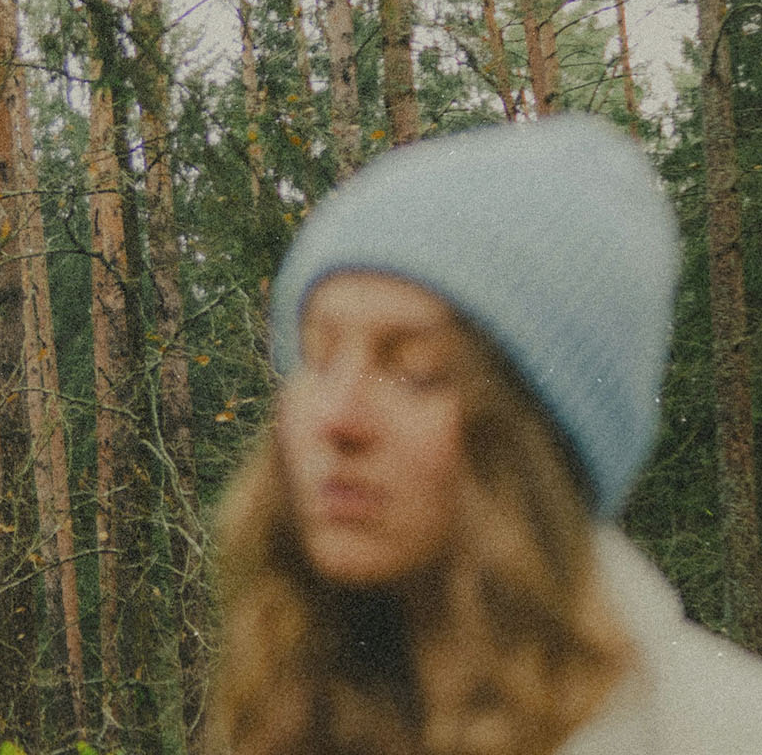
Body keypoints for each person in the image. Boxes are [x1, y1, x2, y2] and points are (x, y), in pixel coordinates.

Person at [207, 114, 762, 755]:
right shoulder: (286, 712)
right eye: (317, 356)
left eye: (417, 369)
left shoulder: (725, 731)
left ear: (540, 438)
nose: (337, 419)